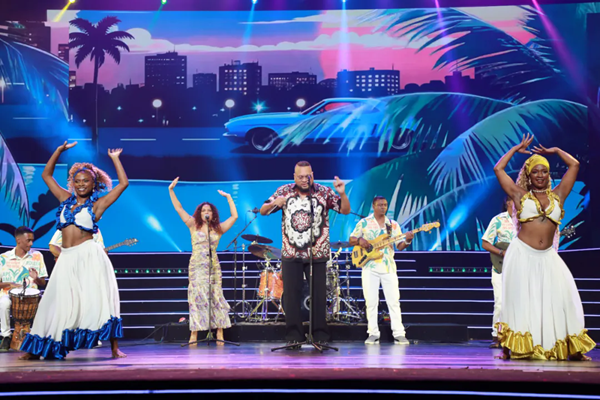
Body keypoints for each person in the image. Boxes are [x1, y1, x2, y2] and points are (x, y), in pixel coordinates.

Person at [20, 142, 129, 360]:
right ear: (72, 183)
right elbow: (46, 175)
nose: (81, 185)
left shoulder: (97, 205)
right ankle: (36, 349)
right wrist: (58, 151)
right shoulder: (64, 199)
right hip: (66, 257)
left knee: (98, 299)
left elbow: (123, 184)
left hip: (89, 256)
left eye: (85, 181)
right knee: (52, 301)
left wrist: (115, 159)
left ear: (94, 183)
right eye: (77, 181)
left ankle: (114, 348)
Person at [493, 133, 595, 360]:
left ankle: (571, 348)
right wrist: (515, 149)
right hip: (522, 254)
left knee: (565, 299)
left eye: (544, 171)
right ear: (528, 175)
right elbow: (498, 169)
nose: (540, 175)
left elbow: (574, 165)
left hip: (548, 256)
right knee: (521, 302)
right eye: (535, 171)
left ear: (549, 174)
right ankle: (514, 347)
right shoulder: (519, 195)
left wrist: (555, 150)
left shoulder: (559, 195)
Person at [260, 161, 350, 348]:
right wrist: (274, 203)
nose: (303, 180)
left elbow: (344, 210)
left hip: (317, 253)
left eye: (307, 176)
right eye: (300, 177)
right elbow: (263, 211)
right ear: (294, 177)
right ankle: (294, 336)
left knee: (318, 296)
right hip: (291, 252)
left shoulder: (323, 192)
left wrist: (342, 193)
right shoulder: (284, 191)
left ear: (312, 175)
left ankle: (320, 335)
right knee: (291, 296)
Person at [168, 177, 238, 345]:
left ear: (213, 214)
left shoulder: (218, 229)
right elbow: (179, 208)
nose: (206, 212)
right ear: (200, 213)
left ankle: (219, 331)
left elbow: (234, 216)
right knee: (197, 297)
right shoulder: (193, 225)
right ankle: (194, 333)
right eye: (203, 210)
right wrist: (171, 190)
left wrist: (229, 198)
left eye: (209, 210)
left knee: (216, 296)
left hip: (213, 266)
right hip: (197, 266)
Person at [349, 196, 413, 345]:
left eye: (385, 205)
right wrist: (360, 240)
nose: (383, 207)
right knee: (371, 302)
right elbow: (351, 239)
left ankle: (399, 333)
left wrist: (408, 240)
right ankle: (373, 333)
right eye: (380, 205)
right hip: (369, 267)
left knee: (394, 301)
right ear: (373, 206)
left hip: (388, 267)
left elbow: (400, 246)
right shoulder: (364, 223)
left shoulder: (393, 225)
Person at [0, 227, 48, 352]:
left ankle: (38, 337)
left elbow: (43, 283)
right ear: (18, 240)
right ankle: (5, 336)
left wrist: (36, 278)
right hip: (9, 295)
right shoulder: (3, 258)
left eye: (32, 240)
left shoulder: (37, 256)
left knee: (46, 304)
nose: (31, 244)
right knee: (4, 303)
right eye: (28, 240)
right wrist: (9, 284)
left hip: (31, 297)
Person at [481, 197, 516, 348]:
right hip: (500, 267)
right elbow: (485, 243)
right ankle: (497, 335)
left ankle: (518, 337)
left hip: (519, 266)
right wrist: (501, 252)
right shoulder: (498, 220)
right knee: (500, 302)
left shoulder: (526, 220)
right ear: (508, 202)